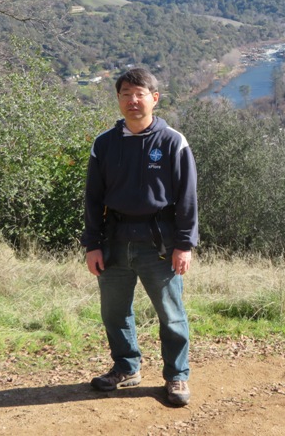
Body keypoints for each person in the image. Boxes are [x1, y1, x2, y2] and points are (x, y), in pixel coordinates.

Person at [81, 67, 198, 407]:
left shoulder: (172, 142)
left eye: (140, 94)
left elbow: (187, 198)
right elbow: (92, 198)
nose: (132, 100)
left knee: (170, 314)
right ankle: (126, 367)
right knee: (114, 312)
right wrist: (92, 244)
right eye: (125, 94)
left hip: (158, 243)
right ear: (118, 100)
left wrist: (184, 244)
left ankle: (176, 376)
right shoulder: (104, 144)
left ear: (154, 98)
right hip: (114, 241)